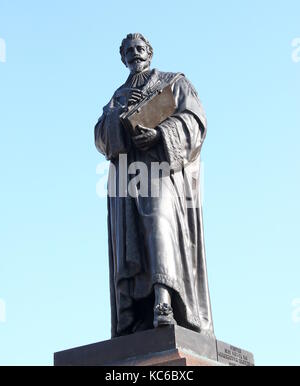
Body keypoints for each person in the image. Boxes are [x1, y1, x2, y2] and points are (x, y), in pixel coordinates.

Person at [94, 33, 214, 338]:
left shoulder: (174, 82)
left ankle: (164, 303)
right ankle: (137, 314)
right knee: (132, 242)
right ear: (122, 58)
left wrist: (160, 134)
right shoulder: (118, 96)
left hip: (161, 170)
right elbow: (100, 137)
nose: (135, 54)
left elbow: (195, 120)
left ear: (150, 52)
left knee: (160, 225)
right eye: (128, 51)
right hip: (128, 179)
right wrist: (118, 116)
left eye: (139, 48)